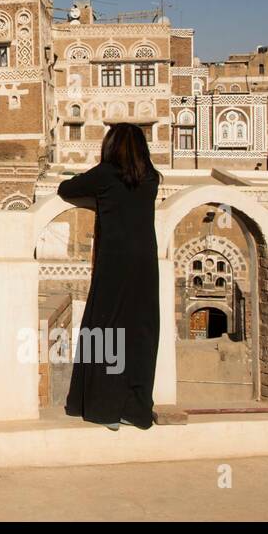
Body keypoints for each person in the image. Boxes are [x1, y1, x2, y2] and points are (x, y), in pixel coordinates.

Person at [57, 122, 161, 430]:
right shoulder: (152, 179)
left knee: (105, 330)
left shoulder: (105, 176)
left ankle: (105, 407)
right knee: (140, 334)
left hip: (115, 263)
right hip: (145, 264)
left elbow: (67, 189)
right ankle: (135, 409)